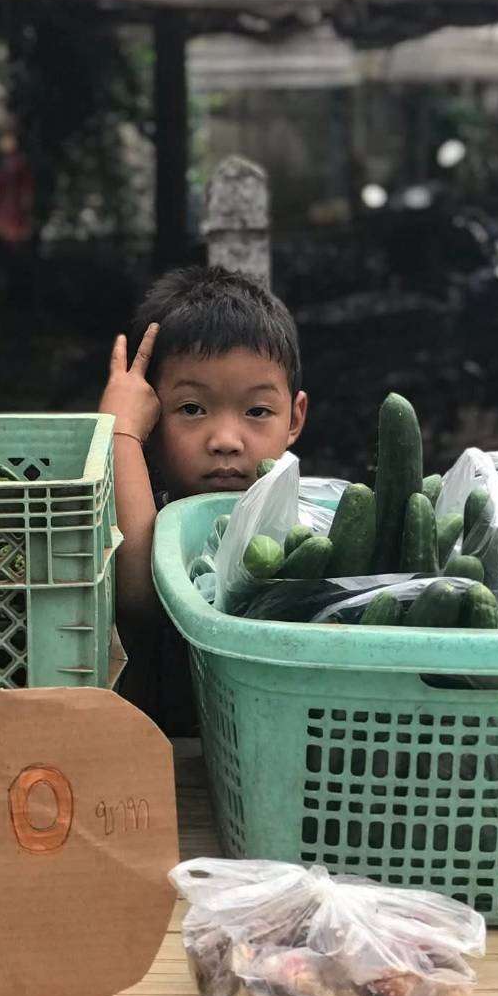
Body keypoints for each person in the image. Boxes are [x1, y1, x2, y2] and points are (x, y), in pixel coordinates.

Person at [100, 264, 307, 731]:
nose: (226, 440)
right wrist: (121, 432)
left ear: (294, 418)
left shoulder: (308, 531)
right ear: (152, 418)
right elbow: (140, 591)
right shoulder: (146, 509)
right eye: (192, 409)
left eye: (257, 410)